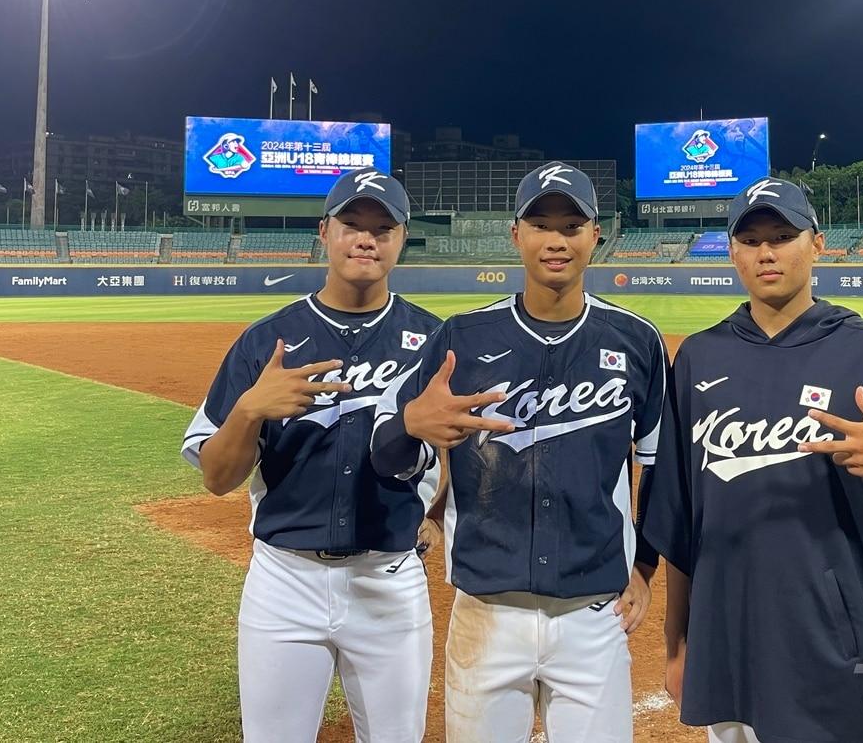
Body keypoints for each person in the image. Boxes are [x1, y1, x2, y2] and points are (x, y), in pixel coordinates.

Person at [644, 177, 863, 743]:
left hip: (854, 657)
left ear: (817, 243)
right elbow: (683, 523)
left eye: (783, 235)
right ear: (731, 251)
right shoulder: (699, 359)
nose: (767, 252)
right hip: (734, 651)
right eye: (752, 238)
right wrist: (679, 645)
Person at [371, 161, 667, 743]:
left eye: (572, 225)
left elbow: (657, 466)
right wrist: (410, 422)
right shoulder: (461, 338)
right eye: (540, 224)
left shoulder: (635, 340)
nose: (556, 240)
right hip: (486, 612)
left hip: (593, 615)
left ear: (596, 235)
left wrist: (646, 566)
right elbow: (385, 451)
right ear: (516, 235)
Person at [181, 168, 441, 743]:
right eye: (352, 223)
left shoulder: (435, 341)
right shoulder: (266, 340)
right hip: (284, 580)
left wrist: (436, 513)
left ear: (402, 239)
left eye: (383, 227)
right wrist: (249, 410)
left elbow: (460, 456)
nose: (366, 238)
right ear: (325, 232)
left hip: (389, 579)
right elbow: (218, 479)